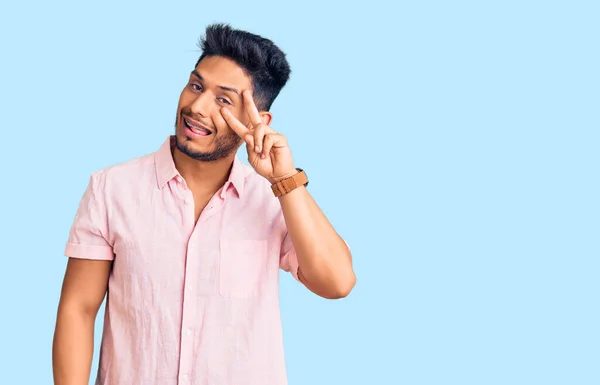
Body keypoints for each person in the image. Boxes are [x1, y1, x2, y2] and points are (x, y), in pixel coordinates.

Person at [52, 23, 356, 385]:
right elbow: (79, 309)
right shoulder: (111, 189)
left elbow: (337, 283)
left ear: (258, 120)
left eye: (223, 100)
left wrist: (284, 182)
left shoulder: (274, 200)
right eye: (196, 86)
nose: (196, 107)